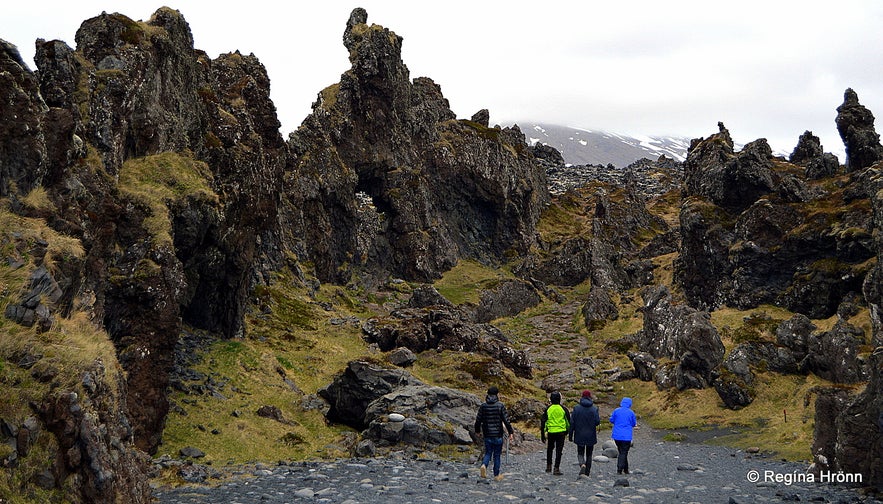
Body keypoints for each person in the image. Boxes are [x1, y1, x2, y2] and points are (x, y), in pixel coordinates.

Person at [474, 386, 515, 481]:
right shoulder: (500, 406)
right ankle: (496, 475)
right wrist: (510, 432)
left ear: (487, 394)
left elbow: (478, 420)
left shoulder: (483, 406)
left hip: (487, 434)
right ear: (497, 395)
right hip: (498, 434)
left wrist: (477, 431)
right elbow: (506, 420)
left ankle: (484, 465)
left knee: (488, 452)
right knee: (497, 455)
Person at [569, 390, 600, 476]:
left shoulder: (576, 408)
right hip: (591, 435)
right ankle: (587, 472)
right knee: (589, 454)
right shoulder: (594, 408)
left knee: (580, 452)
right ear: (590, 397)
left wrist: (570, 435)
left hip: (579, 434)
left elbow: (572, 422)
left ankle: (582, 464)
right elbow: (597, 422)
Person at [540, 391, 570, 475]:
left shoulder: (548, 409)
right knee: (559, 450)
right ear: (559, 399)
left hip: (551, 431)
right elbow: (568, 421)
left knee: (550, 449)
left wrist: (542, 434)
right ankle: (556, 468)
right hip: (561, 432)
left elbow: (543, 421)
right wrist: (567, 431)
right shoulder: (563, 409)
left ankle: (548, 466)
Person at [609, 396, 637, 475]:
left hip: (617, 435)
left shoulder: (616, 411)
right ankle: (619, 469)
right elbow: (633, 423)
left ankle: (626, 469)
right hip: (626, 436)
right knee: (624, 452)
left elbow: (612, 420)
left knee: (621, 451)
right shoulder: (631, 412)